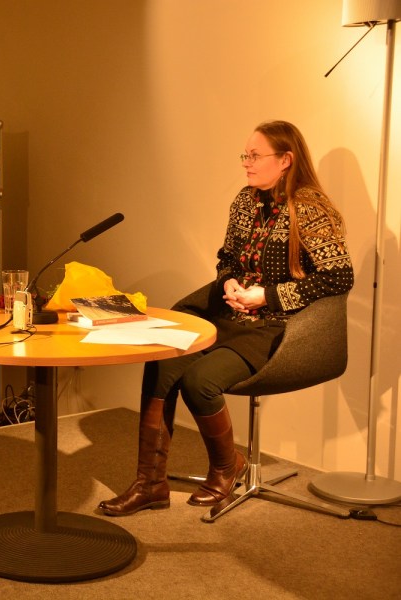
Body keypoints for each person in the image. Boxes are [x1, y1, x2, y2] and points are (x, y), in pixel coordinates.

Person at [97, 120, 354, 516]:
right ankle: (150, 484)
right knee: (162, 360)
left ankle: (226, 468)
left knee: (200, 381)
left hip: (275, 326)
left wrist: (266, 295)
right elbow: (227, 257)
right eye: (244, 155)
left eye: (255, 156)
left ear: (285, 160)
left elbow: (339, 276)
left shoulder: (311, 209)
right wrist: (230, 281)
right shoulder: (246, 200)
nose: (246, 163)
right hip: (227, 311)